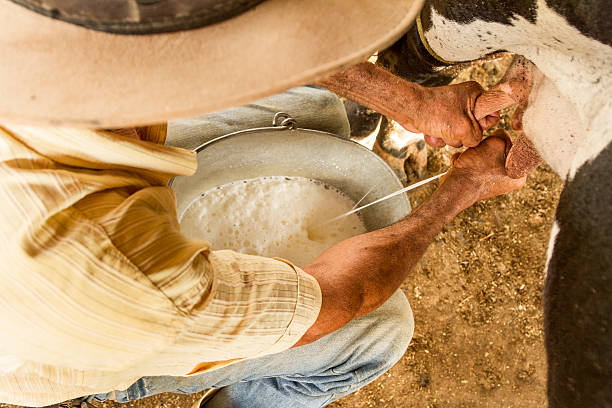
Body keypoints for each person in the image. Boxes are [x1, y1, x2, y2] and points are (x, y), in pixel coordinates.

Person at [0, 1, 527, 407]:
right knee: (379, 331)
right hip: (71, 337)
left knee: (306, 102)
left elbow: (224, 35)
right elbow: (337, 297)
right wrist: (463, 191)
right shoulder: (124, 275)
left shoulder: (38, 23)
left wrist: (412, 103)